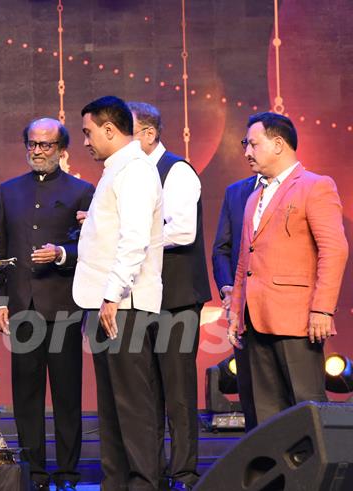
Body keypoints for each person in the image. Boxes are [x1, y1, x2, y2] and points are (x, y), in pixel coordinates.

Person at [0, 117, 93, 490]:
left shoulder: (82, 191)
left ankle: (67, 472)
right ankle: (34, 472)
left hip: (64, 305)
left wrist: (63, 252)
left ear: (62, 150)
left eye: (45, 145)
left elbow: (94, 246)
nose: (37, 151)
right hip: (22, 307)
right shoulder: (10, 190)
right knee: (26, 396)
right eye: (32, 144)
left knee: (66, 396)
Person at [229, 112, 348, 427]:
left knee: (304, 407)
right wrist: (235, 313)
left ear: (278, 144)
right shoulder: (254, 195)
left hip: (296, 318)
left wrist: (322, 309)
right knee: (262, 414)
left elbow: (334, 249)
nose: (247, 152)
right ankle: (272, 476)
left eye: (253, 144)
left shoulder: (315, 186)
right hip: (254, 320)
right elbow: (245, 260)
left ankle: (315, 476)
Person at [72, 96, 164, 490]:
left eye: (88, 132)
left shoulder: (137, 171)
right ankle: (116, 483)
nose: (86, 141)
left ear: (110, 130)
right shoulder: (116, 170)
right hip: (105, 303)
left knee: (132, 406)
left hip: (122, 305)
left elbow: (134, 240)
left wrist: (111, 296)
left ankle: (143, 483)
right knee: (110, 408)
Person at [128, 102, 211, 489]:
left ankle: (184, 473)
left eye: (128, 134)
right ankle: (151, 473)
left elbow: (182, 231)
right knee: (147, 392)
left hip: (176, 298)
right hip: (144, 297)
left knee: (177, 393)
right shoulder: (134, 176)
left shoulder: (176, 170)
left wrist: (132, 230)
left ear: (147, 134)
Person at [211, 153, 262, 431]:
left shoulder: (308, 186)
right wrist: (228, 288)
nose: (247, 151)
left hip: (285, 310)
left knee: (291, 392)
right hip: (242, 312)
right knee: (251, 391)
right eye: (245, 144)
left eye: (254, 143)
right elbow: (221, 249)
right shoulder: (237, 192)